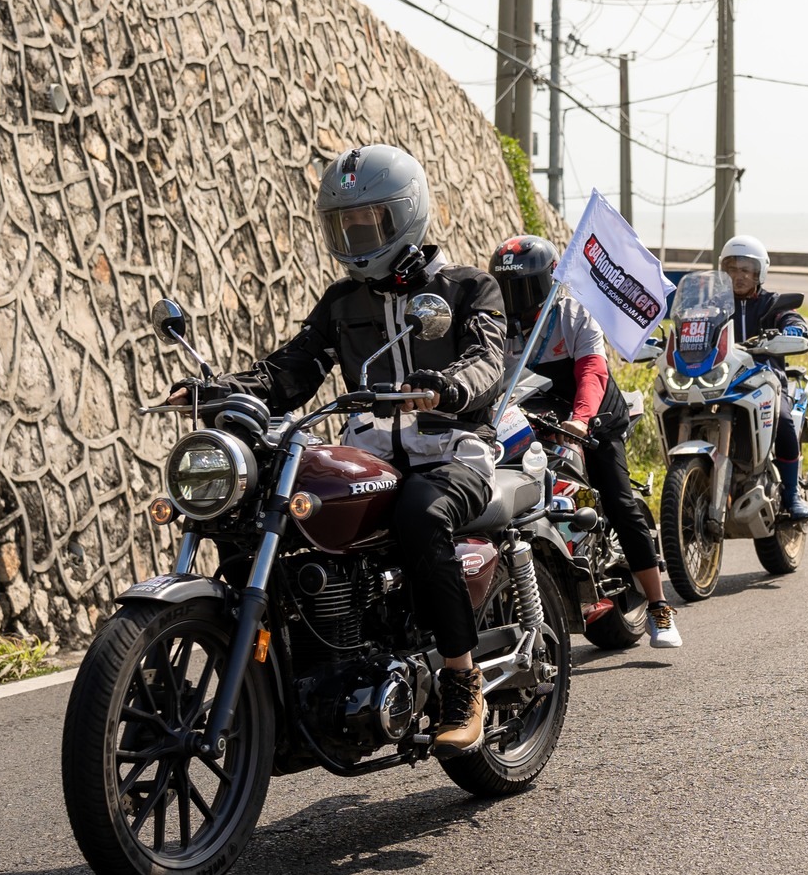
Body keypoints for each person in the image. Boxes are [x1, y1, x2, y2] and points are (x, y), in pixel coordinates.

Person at [181, 145, 506, 753]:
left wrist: (447, 387)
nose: (356, 237)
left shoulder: (469, 288)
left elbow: (488, 359)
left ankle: (463, 683)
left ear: (407, 214)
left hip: (453, 451)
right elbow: (294, 368)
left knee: (419, 513)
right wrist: (222, 388)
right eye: (345, 225)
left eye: (369, 222)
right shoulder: (342, 302)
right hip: (372, 457)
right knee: (275, 510)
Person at [492, 236, 679, 649]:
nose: (515, 297)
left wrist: (580, 420)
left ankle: (658, 606)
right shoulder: (495, 324)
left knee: (618, 501)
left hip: (593, 417)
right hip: (529, 418)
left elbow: (592, 371)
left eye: (524, 286)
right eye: (507, 287)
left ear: (549, 280)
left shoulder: (574, 313)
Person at [719, 235, 808, 520]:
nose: (738, 276)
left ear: (759, 272)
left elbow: (790, 317)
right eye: (732, 269)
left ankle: (791, 493)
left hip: (765, 378)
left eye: (745, 269)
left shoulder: (772, 303)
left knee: (783, 420)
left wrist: (794, 329)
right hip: (721, 378)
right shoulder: (714, 304)